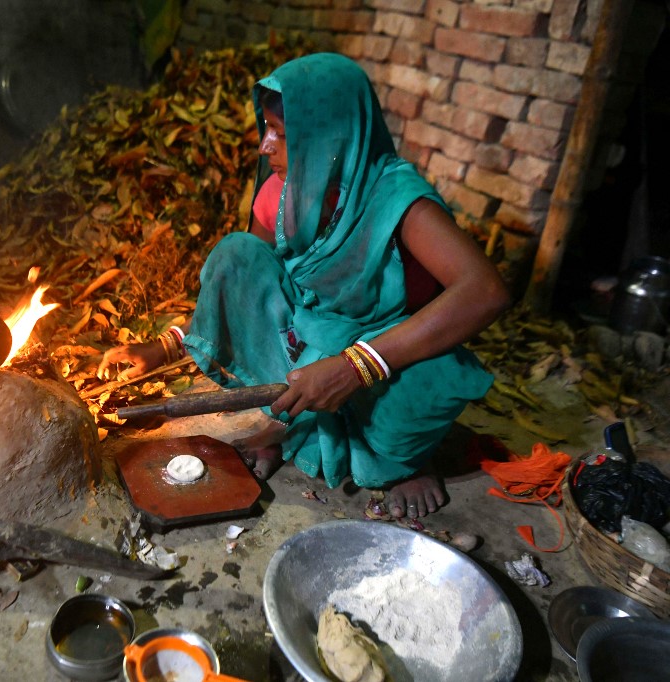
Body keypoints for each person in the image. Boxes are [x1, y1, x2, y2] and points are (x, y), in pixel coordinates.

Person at [98, 53, 510, 519]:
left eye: (282, 133)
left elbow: (485, 291)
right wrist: (166, 346)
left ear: (330, 138)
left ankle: (403, 462)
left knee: (431, 385)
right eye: (266, 128)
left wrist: (357, 366)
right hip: (308, 342)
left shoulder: (397, 200)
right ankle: (289, 423)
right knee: (236, 255)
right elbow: (250, 285)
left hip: (386, 352)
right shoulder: (281, 191)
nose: (265, 146)